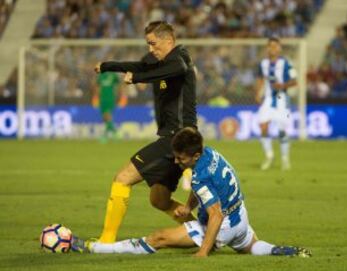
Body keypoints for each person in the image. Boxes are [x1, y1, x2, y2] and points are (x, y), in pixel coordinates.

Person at [72, 127, 311, 258]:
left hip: (223, 225)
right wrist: (189, 206)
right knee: (251, 246)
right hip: (240, 218)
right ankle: (280, 251)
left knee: (158, 238)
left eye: (181, 158)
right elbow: (207, 190)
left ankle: (96, 248)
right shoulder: (211, 154)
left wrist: (203, 253)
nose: (176, 162)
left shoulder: (199, 176)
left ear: (194, 156)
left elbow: (215, 214)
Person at [92, 21, 197, 244]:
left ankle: (106, 241)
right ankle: (203, 233)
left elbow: (175, 69)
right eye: (148, 44)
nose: (150, 49)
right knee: (159, 199)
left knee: (122, 179)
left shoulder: (180, 57)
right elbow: (141, 66)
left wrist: (138, 78)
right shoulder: (159, 61)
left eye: (153, 44)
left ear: (169, 41)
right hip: (175, 138)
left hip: (177, 137)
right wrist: (109, 66)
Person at [254, 37, 297, 171]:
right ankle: (269, 155)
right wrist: (257, 93)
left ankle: (285, 159)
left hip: (281, 99)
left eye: (275, 46)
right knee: (263, 126)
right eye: (270, 46)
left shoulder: (286, 63)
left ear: (279, 48)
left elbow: (294, 81)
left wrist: (283, 85)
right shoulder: (263, 63)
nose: (272, 48)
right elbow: (261, 79)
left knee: (282, 130)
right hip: (267, 99)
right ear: (267, 48)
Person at [94, 71, 122, 141]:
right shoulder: (101, 76)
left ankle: (109, 134)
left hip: (110, 98)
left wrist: (118, 95)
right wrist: (97, 96)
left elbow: (119, 85)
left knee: (107, 115)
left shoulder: (113, 75)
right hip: (102, 99)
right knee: (105, 117)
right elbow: (97, 86)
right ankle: (112, 133)